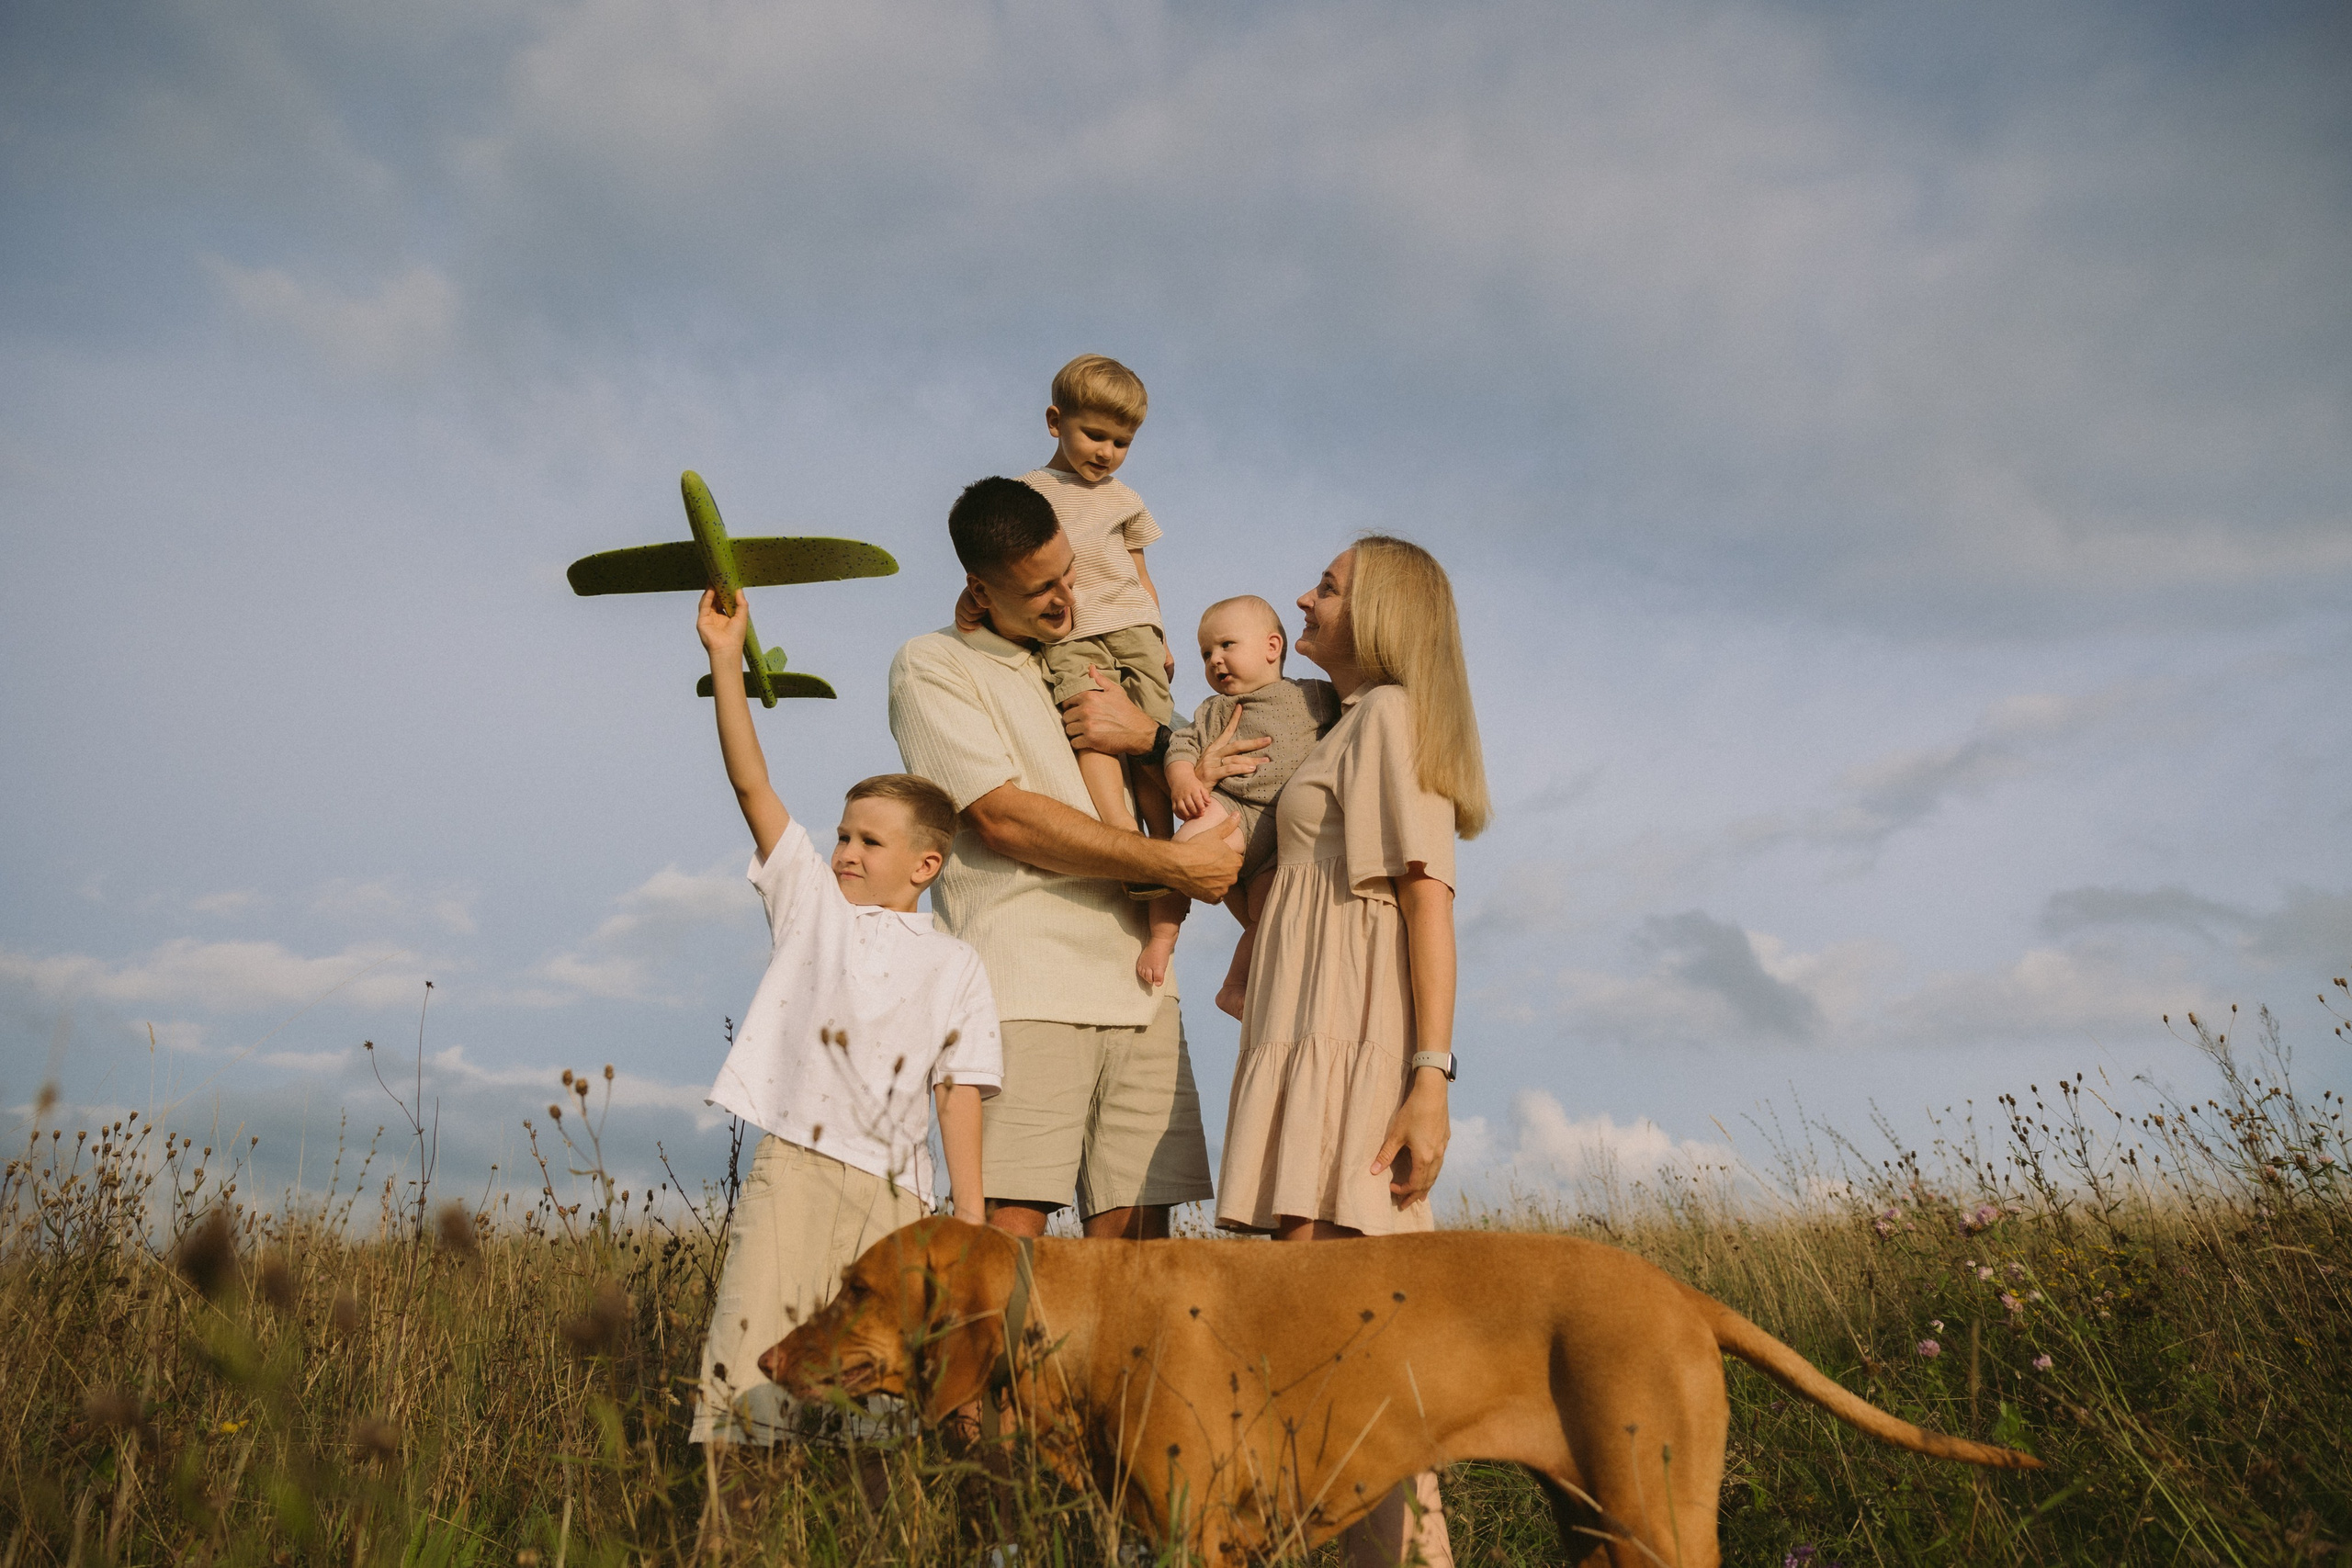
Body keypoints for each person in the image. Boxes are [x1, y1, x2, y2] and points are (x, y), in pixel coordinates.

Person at [1213, 536, 1491, 1568]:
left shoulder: (1388, 718)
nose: (1302, 596)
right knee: (1352, 1375)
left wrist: (1430, 1077)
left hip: (1353, 1053)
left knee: (1328, 1364)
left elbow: (1428, 901)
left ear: (1378, 614)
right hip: (1310, 1042)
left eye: (1326, 586)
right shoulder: (1341, 730)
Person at [890, 477, 1247, 1243]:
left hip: (1144, 992)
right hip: (1023, 992)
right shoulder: (933, 664)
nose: (1065, 599)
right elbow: (1003, 816)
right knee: (1004, 1244)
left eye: (1068, 574)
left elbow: (1194, 765)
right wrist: (1172, 867)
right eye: (1040, 589)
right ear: (978, 593)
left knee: (1141, 1260)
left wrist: (1145, 733)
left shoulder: (1097, 657)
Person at [687, 587, 1003, 1449]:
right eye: (842, 835)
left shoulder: (957, 960)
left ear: (926, 862)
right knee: (749, 1376)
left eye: (869, 840)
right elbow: (751, 780)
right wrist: (726, 655)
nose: (846, 852)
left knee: (874, 1400)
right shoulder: (811, 906)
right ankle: (737, 1526)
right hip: (798, 1165)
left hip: (899, 1198)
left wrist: (968, 1218)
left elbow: (960, 1091)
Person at [955, 355, 1188, 985]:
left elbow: (1140, 571)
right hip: (1075, 630)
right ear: (1056, 422)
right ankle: (1119, 831)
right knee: (1093, 725)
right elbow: (1007, 563)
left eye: (1122, 442)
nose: (1107, 452)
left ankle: (1162, 854)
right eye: (1095, 435)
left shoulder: (1126, 499)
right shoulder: (1032, 492)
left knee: (1152, 736)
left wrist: (1158, 631)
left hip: (1133, 625)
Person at [1163, 595, 1342, 1019]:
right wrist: (1184, 778)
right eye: (1206, 653)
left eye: (1227, 645)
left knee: (1268, 920)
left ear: (1272, 647)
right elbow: (1182, 745)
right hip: (1233, 811)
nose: (1215, 661)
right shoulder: (1214, 709)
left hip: (1282, 841)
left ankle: (1234, 987)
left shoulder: (1313, 695)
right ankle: (1161, 937)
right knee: (1178, 855)